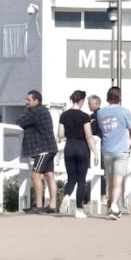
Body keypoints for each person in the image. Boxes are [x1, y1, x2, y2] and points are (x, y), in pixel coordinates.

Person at [96, 87, 131, 221]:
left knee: (111, 179)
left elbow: (102, 129)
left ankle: (112, 205)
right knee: (118, 180)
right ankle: (114, 206)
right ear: (119, 97)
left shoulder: (101, 112)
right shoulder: (125, 112)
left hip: (107, 149)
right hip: (121, 150)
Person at [16, 90, 59, 214]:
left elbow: (20, 122)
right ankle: (52, 205)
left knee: (35, 174)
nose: (26, 102)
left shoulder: (35, 111)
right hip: (50, 147)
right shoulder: (44, 110)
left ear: (36, 101)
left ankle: (39, 205)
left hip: (42, 149)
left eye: (28, 100)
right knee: (49, 175)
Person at [57, 90, 98, 218]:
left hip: (69, 147)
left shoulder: (64, 115)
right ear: (81, 100)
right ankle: (79, 209)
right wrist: (95, 152)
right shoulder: (84, 116)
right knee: (81, 179)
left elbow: (60, 134)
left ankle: (67, 196)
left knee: (71, 178)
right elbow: (89, 136)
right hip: (81, 148)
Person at [87, 95, 107, 205]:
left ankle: (101, 196)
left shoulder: (96, 116)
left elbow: (93, 132)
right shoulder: (97, 115)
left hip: (98, 146)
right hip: (99, 146)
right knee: (99, 170)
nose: (88, 105)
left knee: (99, 170)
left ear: (96, 103)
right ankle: (100, 196)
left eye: (90, 103)